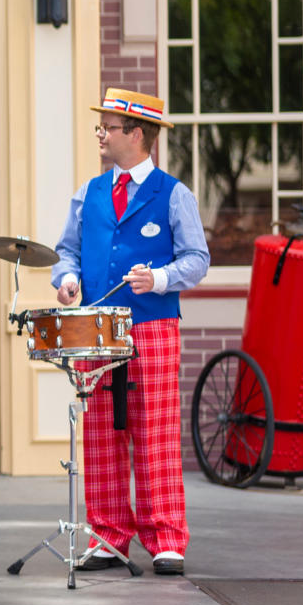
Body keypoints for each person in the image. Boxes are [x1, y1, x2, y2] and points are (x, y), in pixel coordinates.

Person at [52, 88, 209, 577]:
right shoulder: (89, 192)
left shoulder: (174, 193)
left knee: (154, 430)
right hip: (96, 326)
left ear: (136, 134)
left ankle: (165, 539)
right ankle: (108, 536)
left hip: (155, 325)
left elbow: (197, 259)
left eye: (109, 127)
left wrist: (160, 278)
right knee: (100, 432)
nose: (101, 134)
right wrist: (68, 278)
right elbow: (66, 250)